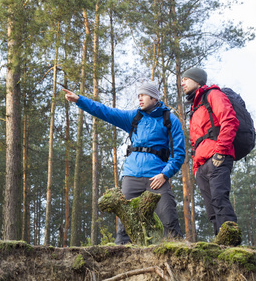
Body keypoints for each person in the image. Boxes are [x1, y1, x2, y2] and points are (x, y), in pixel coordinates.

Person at [63, 82, 186, 243]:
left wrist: (165, 174)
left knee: (169, 219)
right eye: (138, 96)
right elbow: (105, 111)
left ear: (153, 97)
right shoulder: (134, 117)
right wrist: (80, 100)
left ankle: (177, 253)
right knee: (125, 224)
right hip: (131, 176)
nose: (140, 99)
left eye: (143, 95)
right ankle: (121, 255)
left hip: (156, 178)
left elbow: (179, 153)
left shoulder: (170, 120)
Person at [181, 67, 239, 236]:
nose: (182, 83)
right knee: (211, 210)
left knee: (220, 201)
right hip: (202, 165)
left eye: (185, 79)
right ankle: (221, 246)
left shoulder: (213, 94)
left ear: (197, 80)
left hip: (217, 158)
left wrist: (220, 152)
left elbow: (230, 120)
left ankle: (232, 244)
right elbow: (195, 142)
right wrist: (196, 169)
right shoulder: (194, 107)